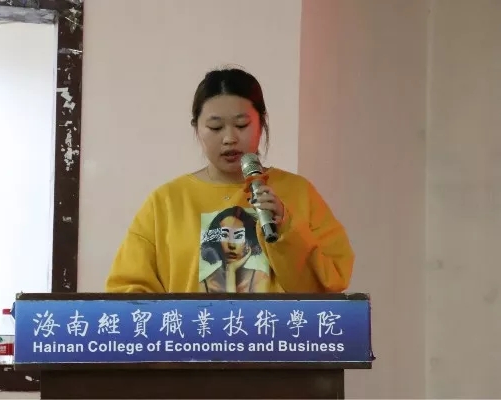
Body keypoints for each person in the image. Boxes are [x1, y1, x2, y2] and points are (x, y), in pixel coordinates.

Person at [105, 67, 354, 293]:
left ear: (261, 123)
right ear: (197, 128)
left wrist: (287, 228)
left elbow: (331, 280)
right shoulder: (166, 202)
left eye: (241, 125)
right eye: (215, 128)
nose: (229, 138)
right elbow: (127, 292)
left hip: (273, 331)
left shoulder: (298, 192)